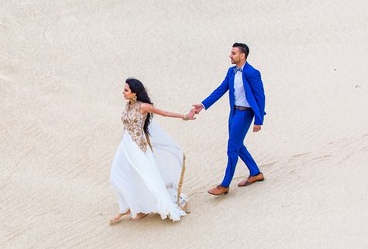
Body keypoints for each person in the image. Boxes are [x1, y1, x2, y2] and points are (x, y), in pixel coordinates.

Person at [109, 78, 191, 224]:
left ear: (134, 92)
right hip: (125, 146)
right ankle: (129, 206)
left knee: (145, 177)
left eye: (126, 90)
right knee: (116, 175)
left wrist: (185, 116)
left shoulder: (144, 106)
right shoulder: (129, 105)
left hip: (138, 147)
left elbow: (164, 113)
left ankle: (138, 209)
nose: (123, 92)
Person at [189, 43, 266, 196]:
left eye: (233, 53)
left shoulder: (252, 73)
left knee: (232, 148)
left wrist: (259, 120)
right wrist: (202, 105)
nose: (230, 56)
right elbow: (221, 89)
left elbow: (260, 96)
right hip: (234, 113)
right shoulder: (231, 72)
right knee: (237, 145)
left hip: (245, 114)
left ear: (242, 55)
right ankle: (255, 173)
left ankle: (225, 184)